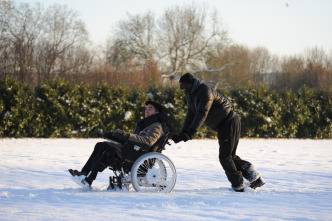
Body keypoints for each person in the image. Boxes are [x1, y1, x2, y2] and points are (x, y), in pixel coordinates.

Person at [172, 73, 265, 192]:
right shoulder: (191, 95)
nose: (181, 88)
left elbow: (202, 113)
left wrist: (191, 132)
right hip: (223, 126)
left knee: (225, 157)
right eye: (180, 85)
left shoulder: (205, 91)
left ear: (191, 84)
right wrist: (183, 133)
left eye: (183, 85)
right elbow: (191, 114)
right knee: (229, 157)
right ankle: (253, 176)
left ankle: (238, 185)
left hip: (229, 122)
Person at [69, 100, 165, 189]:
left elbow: (147, 142)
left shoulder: (156, 126)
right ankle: (84, 173)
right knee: (100, 145)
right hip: (131, 151)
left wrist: (128, 136)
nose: (146, 110)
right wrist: (113, 136)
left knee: (107, 148)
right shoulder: (143, 125)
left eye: (150, 108)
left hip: (137, 156)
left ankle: (88, 179)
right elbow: (131, 139)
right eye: (146, 108)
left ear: (157, 112)